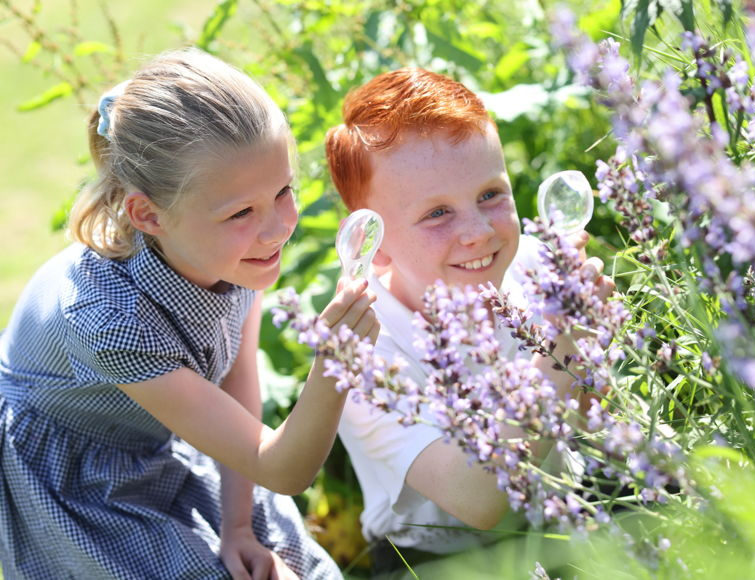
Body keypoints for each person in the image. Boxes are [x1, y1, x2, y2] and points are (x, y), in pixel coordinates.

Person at [0, 48, 379, 580]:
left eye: (283, 191)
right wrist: (338, 358)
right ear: (147, 215)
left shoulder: (230, 252)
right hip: (79, 477)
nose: (278, 229)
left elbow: (238, 383)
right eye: (242, 212)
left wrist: (238, 526)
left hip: (166, 427)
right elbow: (282, 468)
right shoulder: (110, 321)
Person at [324, 68, 614, 574]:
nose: (479, 232)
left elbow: (592, 417)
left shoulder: (533, 264)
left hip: (563, 501)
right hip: (439, 556)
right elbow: (478, 500)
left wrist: (593, 359)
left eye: (490, 194)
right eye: (437, 213)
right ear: (373, 242)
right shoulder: (362, 348)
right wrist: (565, 347)